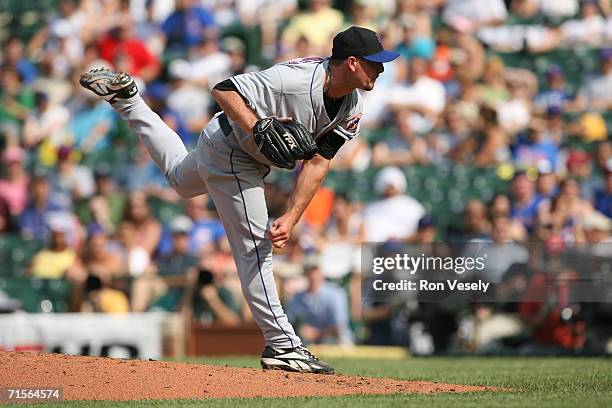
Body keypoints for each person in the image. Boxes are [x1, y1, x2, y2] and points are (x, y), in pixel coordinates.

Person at [80, 26, 399, 374]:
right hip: (232, 150)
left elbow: (319, 162)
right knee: (255, 250)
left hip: (230, 150)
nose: (380, 70)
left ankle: (128, 100)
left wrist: (292, 216)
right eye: (374, 63)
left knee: (179, 179)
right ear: (352, 62)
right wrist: (258, 125)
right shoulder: (293, 79)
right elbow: (223, 89)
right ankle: (283, 344)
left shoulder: (352, 106)